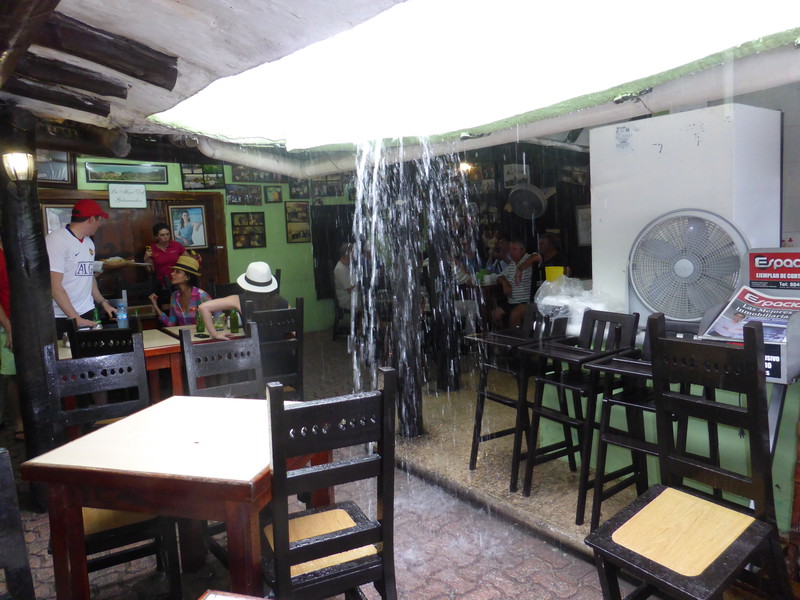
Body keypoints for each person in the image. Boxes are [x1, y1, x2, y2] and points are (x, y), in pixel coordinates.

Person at [46, 199, 116, 337]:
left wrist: (103, 302)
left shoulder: (89, 242)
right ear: (91, 219)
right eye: (99, 219)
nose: (100, 224)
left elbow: (88, 277)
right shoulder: (56, 240)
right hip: (62, 316)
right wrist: (75, 318)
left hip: (87, 311)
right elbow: (55, 287)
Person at [197, 261, 288, 341]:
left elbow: (203, 307)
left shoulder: (238, 300)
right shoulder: (283, 301)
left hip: (253, 354)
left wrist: (215, 335)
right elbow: (293, 331)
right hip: (282, 356)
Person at [0, 239, 22, 441]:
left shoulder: (12, 255)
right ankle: (18, 422)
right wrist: (9, 328)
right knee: (13, 374)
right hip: (6, 323)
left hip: (24, 320)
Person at [148, 255, 210, 326]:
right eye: (173, 271)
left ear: (187, 277)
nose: (172, 274)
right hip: (184, 335)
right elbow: (171, 323)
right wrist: (155, 305)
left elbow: (218, 317)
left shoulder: (202, 295)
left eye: (177, 272)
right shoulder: (175, 296)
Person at [492, 239, 532, 328]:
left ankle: (517, 340)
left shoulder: (529, 260)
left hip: (525, 302)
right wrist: (505, 282)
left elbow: (537, 256)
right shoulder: (513, 264)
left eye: (514, 250)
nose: (511, 252)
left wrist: (521, 269)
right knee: (495, 313)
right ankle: (505, 338)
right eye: (510, 250)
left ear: (523, 250)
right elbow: (498, 276)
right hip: (511, 302)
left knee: (514, 314)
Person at [144, 222, 185, 288]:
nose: (166, 237)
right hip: (161, 284)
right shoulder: (152, 249)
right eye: (162, 235)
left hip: (178, 282)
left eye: (167, 234)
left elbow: (188, 262)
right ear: (156, 237)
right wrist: (146, 259)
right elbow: (151, 270)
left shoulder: (177, 245)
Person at [333, 243, 358, 311]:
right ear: (347, 254)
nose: (355, 255)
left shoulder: (347, 265)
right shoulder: (340, 269)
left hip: (351, 296)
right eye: (353, 253)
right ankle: (360, 321)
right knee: (366, 302)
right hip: (346, 299)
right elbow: (350, 290)